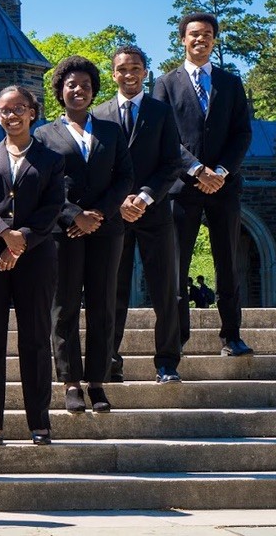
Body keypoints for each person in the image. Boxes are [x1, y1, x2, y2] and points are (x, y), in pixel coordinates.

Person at [34, 57, 132, 415]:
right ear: (60, 90)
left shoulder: (111, 131)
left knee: (103, 305)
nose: (79, 90)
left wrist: (99, 214)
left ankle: (97, 381)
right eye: (71, 85)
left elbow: (124, 177)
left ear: (94, 91)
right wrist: (74, 215)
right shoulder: (43, 135)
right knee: (65, 306)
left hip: (107, 230)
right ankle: (71, 381)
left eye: (86, 86)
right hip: (64, 233)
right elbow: (42, 185)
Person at [154, 12, 253, 356]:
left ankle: (232, 336)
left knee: (228, 264)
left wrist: (221, 171)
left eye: (208, 34)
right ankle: (178, 338)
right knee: (177, 266)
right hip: (182, 190)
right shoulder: (166, 84)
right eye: (194, 34)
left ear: (214, 39)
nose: (201, 39)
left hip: (224, 189)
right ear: (182, 39)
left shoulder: (230, 83)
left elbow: (243, 133)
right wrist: (197, 170)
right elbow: (164, 137)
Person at [0, 86, 64, 446]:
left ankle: (39, 420)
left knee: (36, 340)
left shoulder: (51, 159)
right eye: (4, 110)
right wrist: (4, 237)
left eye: (18, 109)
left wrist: (21, 238)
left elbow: (53, 205)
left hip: (36, 257)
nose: (11, 115)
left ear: (32, 113)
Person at [93, 45, 185, 384]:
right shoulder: (99, 115)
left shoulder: (161, 113)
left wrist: (144, 197)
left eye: (136, 68)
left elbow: (171, 163)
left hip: (155, 213)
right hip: (114, 217)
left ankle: (167, 363)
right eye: (122, 69)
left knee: (165, 291)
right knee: (111, 292)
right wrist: (118, 201)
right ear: (113, 73)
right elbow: (97, 167)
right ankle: (109, 360)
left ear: (145, 72)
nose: (129, 74)